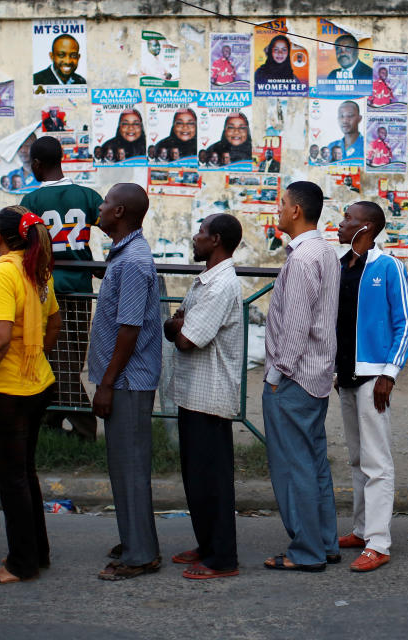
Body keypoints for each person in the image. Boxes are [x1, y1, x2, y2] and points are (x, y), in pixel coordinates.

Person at [0, 206, 60, 585]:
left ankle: (21, 563)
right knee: (24, 473)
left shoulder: (4, 271)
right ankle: (37, 551)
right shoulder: (34, 267)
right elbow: (53, 320)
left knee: (12, 478)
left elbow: (0, 336)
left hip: (6, 391)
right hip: (36, 383)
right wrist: (33, 355)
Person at [262, 181, 341, 572]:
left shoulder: (304, 257)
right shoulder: (324, 251)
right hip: (316, 373)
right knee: (312, 462)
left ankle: (307, 551)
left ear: (295, 211)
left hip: (294, 377)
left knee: (295, 466)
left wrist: (276, 376)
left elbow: (295, 328)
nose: (278, 210)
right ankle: (325, 542)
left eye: (282, 204)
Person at [334, 202, 408, 572]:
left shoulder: (389, 267)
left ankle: (379, 542)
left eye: (347, 218)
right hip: (345, 376)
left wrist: (390, 373)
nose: (340, 222)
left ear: (365, 226)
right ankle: (362, 528)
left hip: (374, 378)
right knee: (356, 458)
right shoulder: (341, 266)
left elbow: (406, 322)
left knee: (377, 461)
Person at [164, 214, 243, 580]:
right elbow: (175, 325)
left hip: (210, 396)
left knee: (212, 481)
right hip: (193, 392)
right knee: (197, 479)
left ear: (216, 240)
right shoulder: (205, 281)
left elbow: (185, 337)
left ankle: (222, 558)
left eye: (201, 232)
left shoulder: (220, 285)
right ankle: (208, 544)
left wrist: (180, 324)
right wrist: (179, 323)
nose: (195, 237)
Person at [89, 183, 162, 580]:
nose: (98, 209)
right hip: (121, 379)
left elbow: (129, 329)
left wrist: (106, 383)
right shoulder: (125, 254)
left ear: (118, 212)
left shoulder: (133, 260)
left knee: (131, 466)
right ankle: (134, 538)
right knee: (123, 464)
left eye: (104, 203)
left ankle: (140, 555)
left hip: (127, 381)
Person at [21, 136, 103, 440]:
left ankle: (83, 427)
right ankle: (54, 420)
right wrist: (94, 259)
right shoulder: (86, 195)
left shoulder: (30, 202)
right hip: (81, 289)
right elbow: (112, 226)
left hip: (46, 290)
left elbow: (24, 244)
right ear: (62, 159)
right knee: (69, 356)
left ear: (37, 165)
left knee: (56, 357)